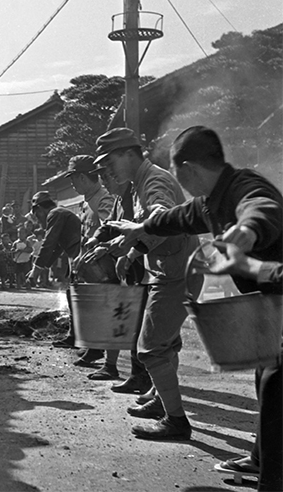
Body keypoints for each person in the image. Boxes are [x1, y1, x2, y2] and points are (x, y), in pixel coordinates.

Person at [109, 126, 282, 490]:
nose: (178, 182)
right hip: (270, 304)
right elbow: (178, 218)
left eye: (176, 174)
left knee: (276, 386)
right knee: (264, 379)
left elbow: (262, 208)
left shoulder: (245, 188)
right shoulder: (209, 201)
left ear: (187, 168)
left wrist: (247, 231)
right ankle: (260, 458)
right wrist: (141, 226)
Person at [94, 127, 201, 441]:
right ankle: (160, 398)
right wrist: (130, 252)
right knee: (166, 344)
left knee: (151, 347)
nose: (108, 170)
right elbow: (155, 230)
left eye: (110, 161)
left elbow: (161, 215)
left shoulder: (153, 180)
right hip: (172, 269)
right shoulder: (140, 182)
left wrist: (130, 246)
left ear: (130, 153)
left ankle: (176, 421)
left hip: (176, 274)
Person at [84, 169, 151, 394]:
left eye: (107, 180)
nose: (106, 186)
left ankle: (141, 377)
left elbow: (142, 233)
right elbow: (110, 225)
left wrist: (113, 249)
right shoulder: (121, 200)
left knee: (139, 324)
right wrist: (95, 239)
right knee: (123, 318)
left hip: (142, 266)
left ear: (118, 177)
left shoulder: (139, 197)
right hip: (126, 266)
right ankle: (121, 369)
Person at [61, 155, 116, 368]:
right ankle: (93, 348)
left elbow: (110, 228)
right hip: (88, 264)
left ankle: (106, 358)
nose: (72, 184)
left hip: (103, 265)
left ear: (83, 177)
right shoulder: (87, 201)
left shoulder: (103, 198)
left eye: (73, 179)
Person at [25, 191, 82, 324]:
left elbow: (49, 242)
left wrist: (35, 271)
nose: (39, 221)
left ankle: (76, 331)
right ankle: (74, 330)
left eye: (37, 216)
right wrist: (42, 267)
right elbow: (56, 247)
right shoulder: (60, 213)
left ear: (39, 209)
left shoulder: (55, 213)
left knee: (76, 293)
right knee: (74, 292)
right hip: (76, 254)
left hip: (78, 255)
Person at [12, 225, 33, 290]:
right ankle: (18, 284)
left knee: (26, 273)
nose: (21, 234)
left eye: (22, 233)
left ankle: (28, 284)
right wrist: (16, 251)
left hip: (26, 260)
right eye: (19, 233)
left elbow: (31, 250)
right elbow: (12, 250)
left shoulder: (27, 242)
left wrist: (23, 250)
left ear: (25, 234)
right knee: (17, 273)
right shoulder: (16, 242)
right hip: (18, 260)